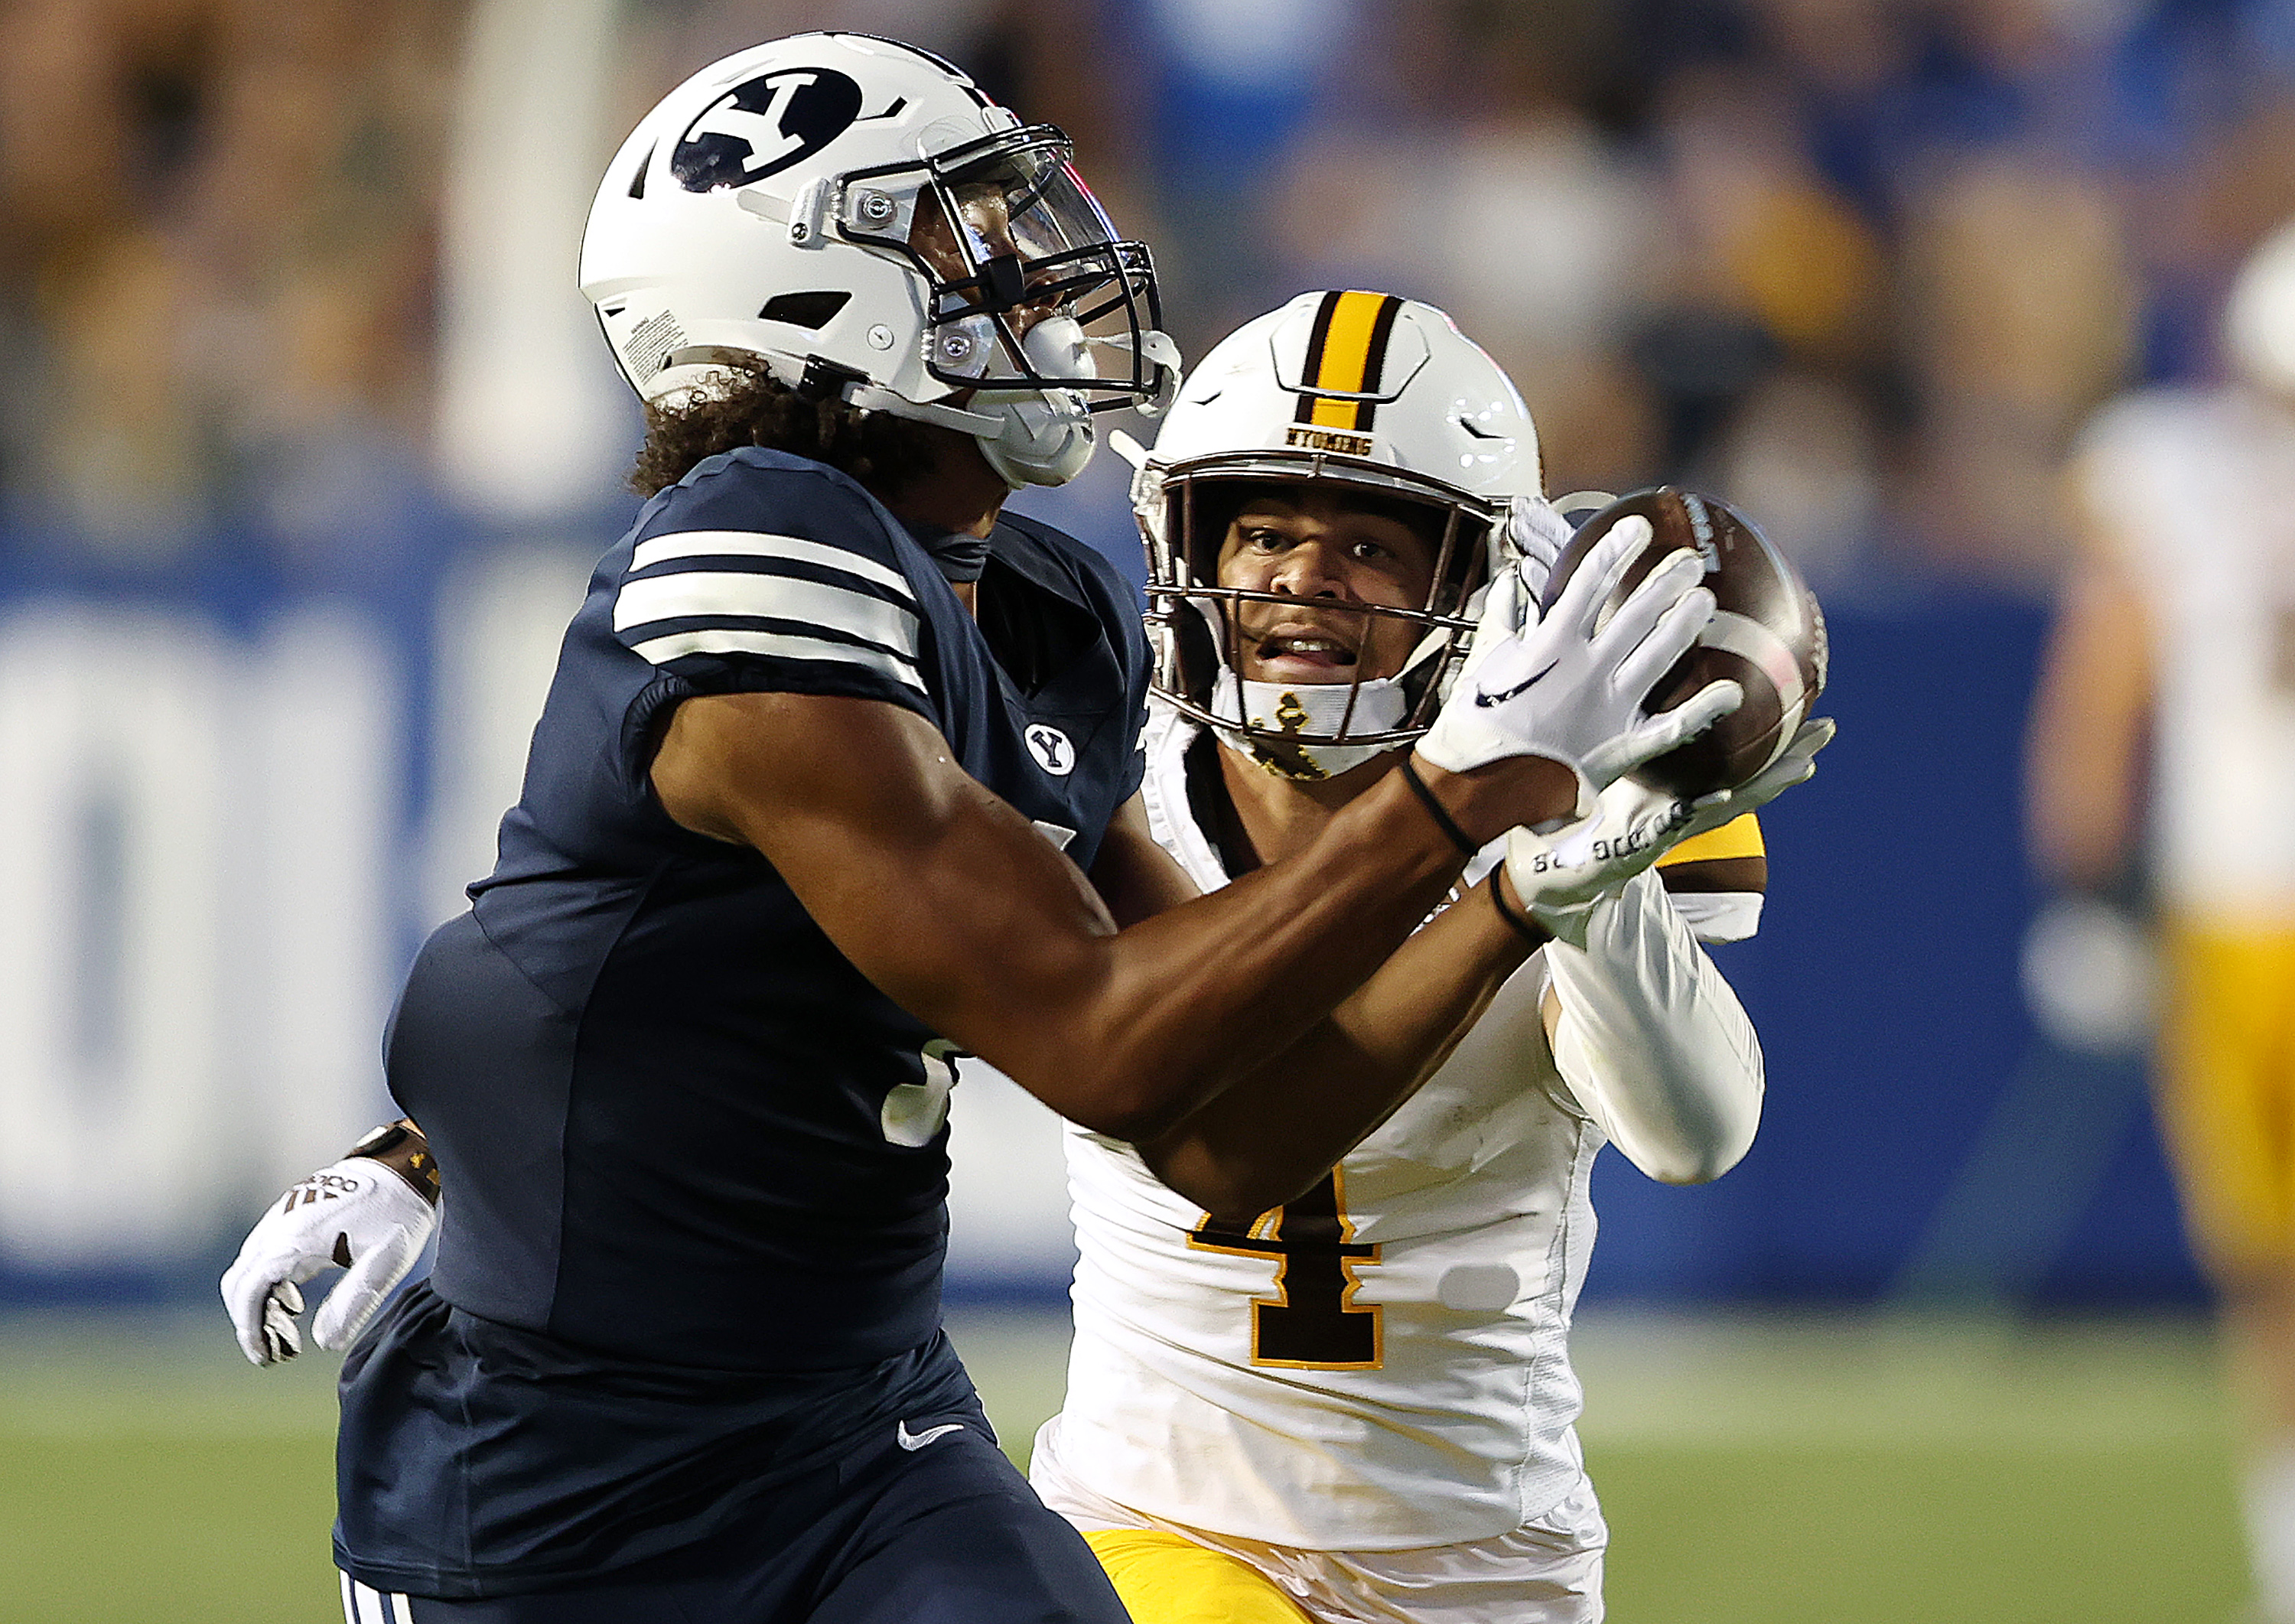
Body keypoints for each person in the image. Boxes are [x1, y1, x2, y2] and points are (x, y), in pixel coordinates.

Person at [218, 35, 1741, 1624]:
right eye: (965, 239)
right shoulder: (758, 554)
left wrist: (1521, 892)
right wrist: (1469, 792)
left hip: (852, 1418)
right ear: (819, 306)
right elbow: (1095, 1041)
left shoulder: (1034, 598)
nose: (1036, 276)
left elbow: (1219, 1136)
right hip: (555, 1454)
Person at [1024, 291, 1830, 1624]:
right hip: (1154, 1519)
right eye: (1266, 530)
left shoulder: (1576, 786)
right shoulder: (1109, 795)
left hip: (1482, 1554)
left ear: (1477, 579)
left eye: (1369, 546)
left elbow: (1696, 1137)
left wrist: (1595, 893)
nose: (1301, 578)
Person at [2027, 216, 2295, 1624]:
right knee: (2266, 1258)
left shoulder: (2175, 470)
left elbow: (2100, 684)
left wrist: (2083, 888)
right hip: (2237, 910)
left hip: (2243, 912)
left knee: (2270, 1265)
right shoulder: (2172, 471)